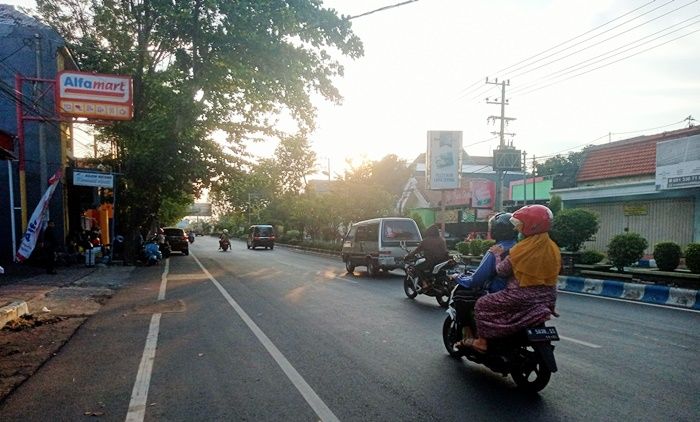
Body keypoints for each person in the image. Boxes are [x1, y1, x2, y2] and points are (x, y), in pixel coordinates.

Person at [463, 205, 561, 353]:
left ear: (530, 226)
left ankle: (482, 341)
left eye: (520, 225)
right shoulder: (553, 248)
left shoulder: (521, 249)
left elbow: (501, 271)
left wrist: (497, 255)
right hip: (548, 297)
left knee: (482, 304)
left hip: (520, 296)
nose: (517, 229)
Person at [450, 212, 518, 348]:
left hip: (499, 293)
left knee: (461, 297)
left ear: (495, 231)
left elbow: (476, 280)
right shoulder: (523, 248)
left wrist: (458, 277)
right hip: (525, 293)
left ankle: (470, 335)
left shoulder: (495, 251)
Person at [404, 224, 449, 291]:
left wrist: (407, 257)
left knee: (416, 268)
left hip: (431, 262)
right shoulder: (441, 240)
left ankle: (425, 284)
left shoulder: (426, 241)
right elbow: (445, 250)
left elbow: (416, 251)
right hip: (442, 261)